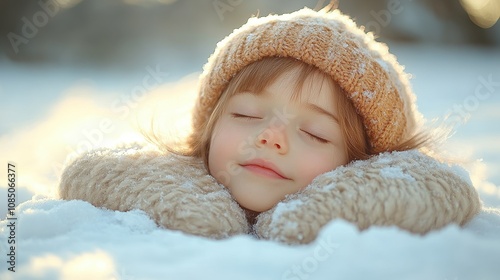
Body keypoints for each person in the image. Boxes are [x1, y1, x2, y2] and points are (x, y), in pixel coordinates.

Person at [59, 5, 481, 244]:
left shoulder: (379, 194)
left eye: (315, 132)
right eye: (245, 115)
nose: (269, 136)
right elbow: (92, 169)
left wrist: (319, 212)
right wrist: (194, 208)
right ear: (207, 129)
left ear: (365, 164)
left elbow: (438, 186)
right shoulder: (167, 179)